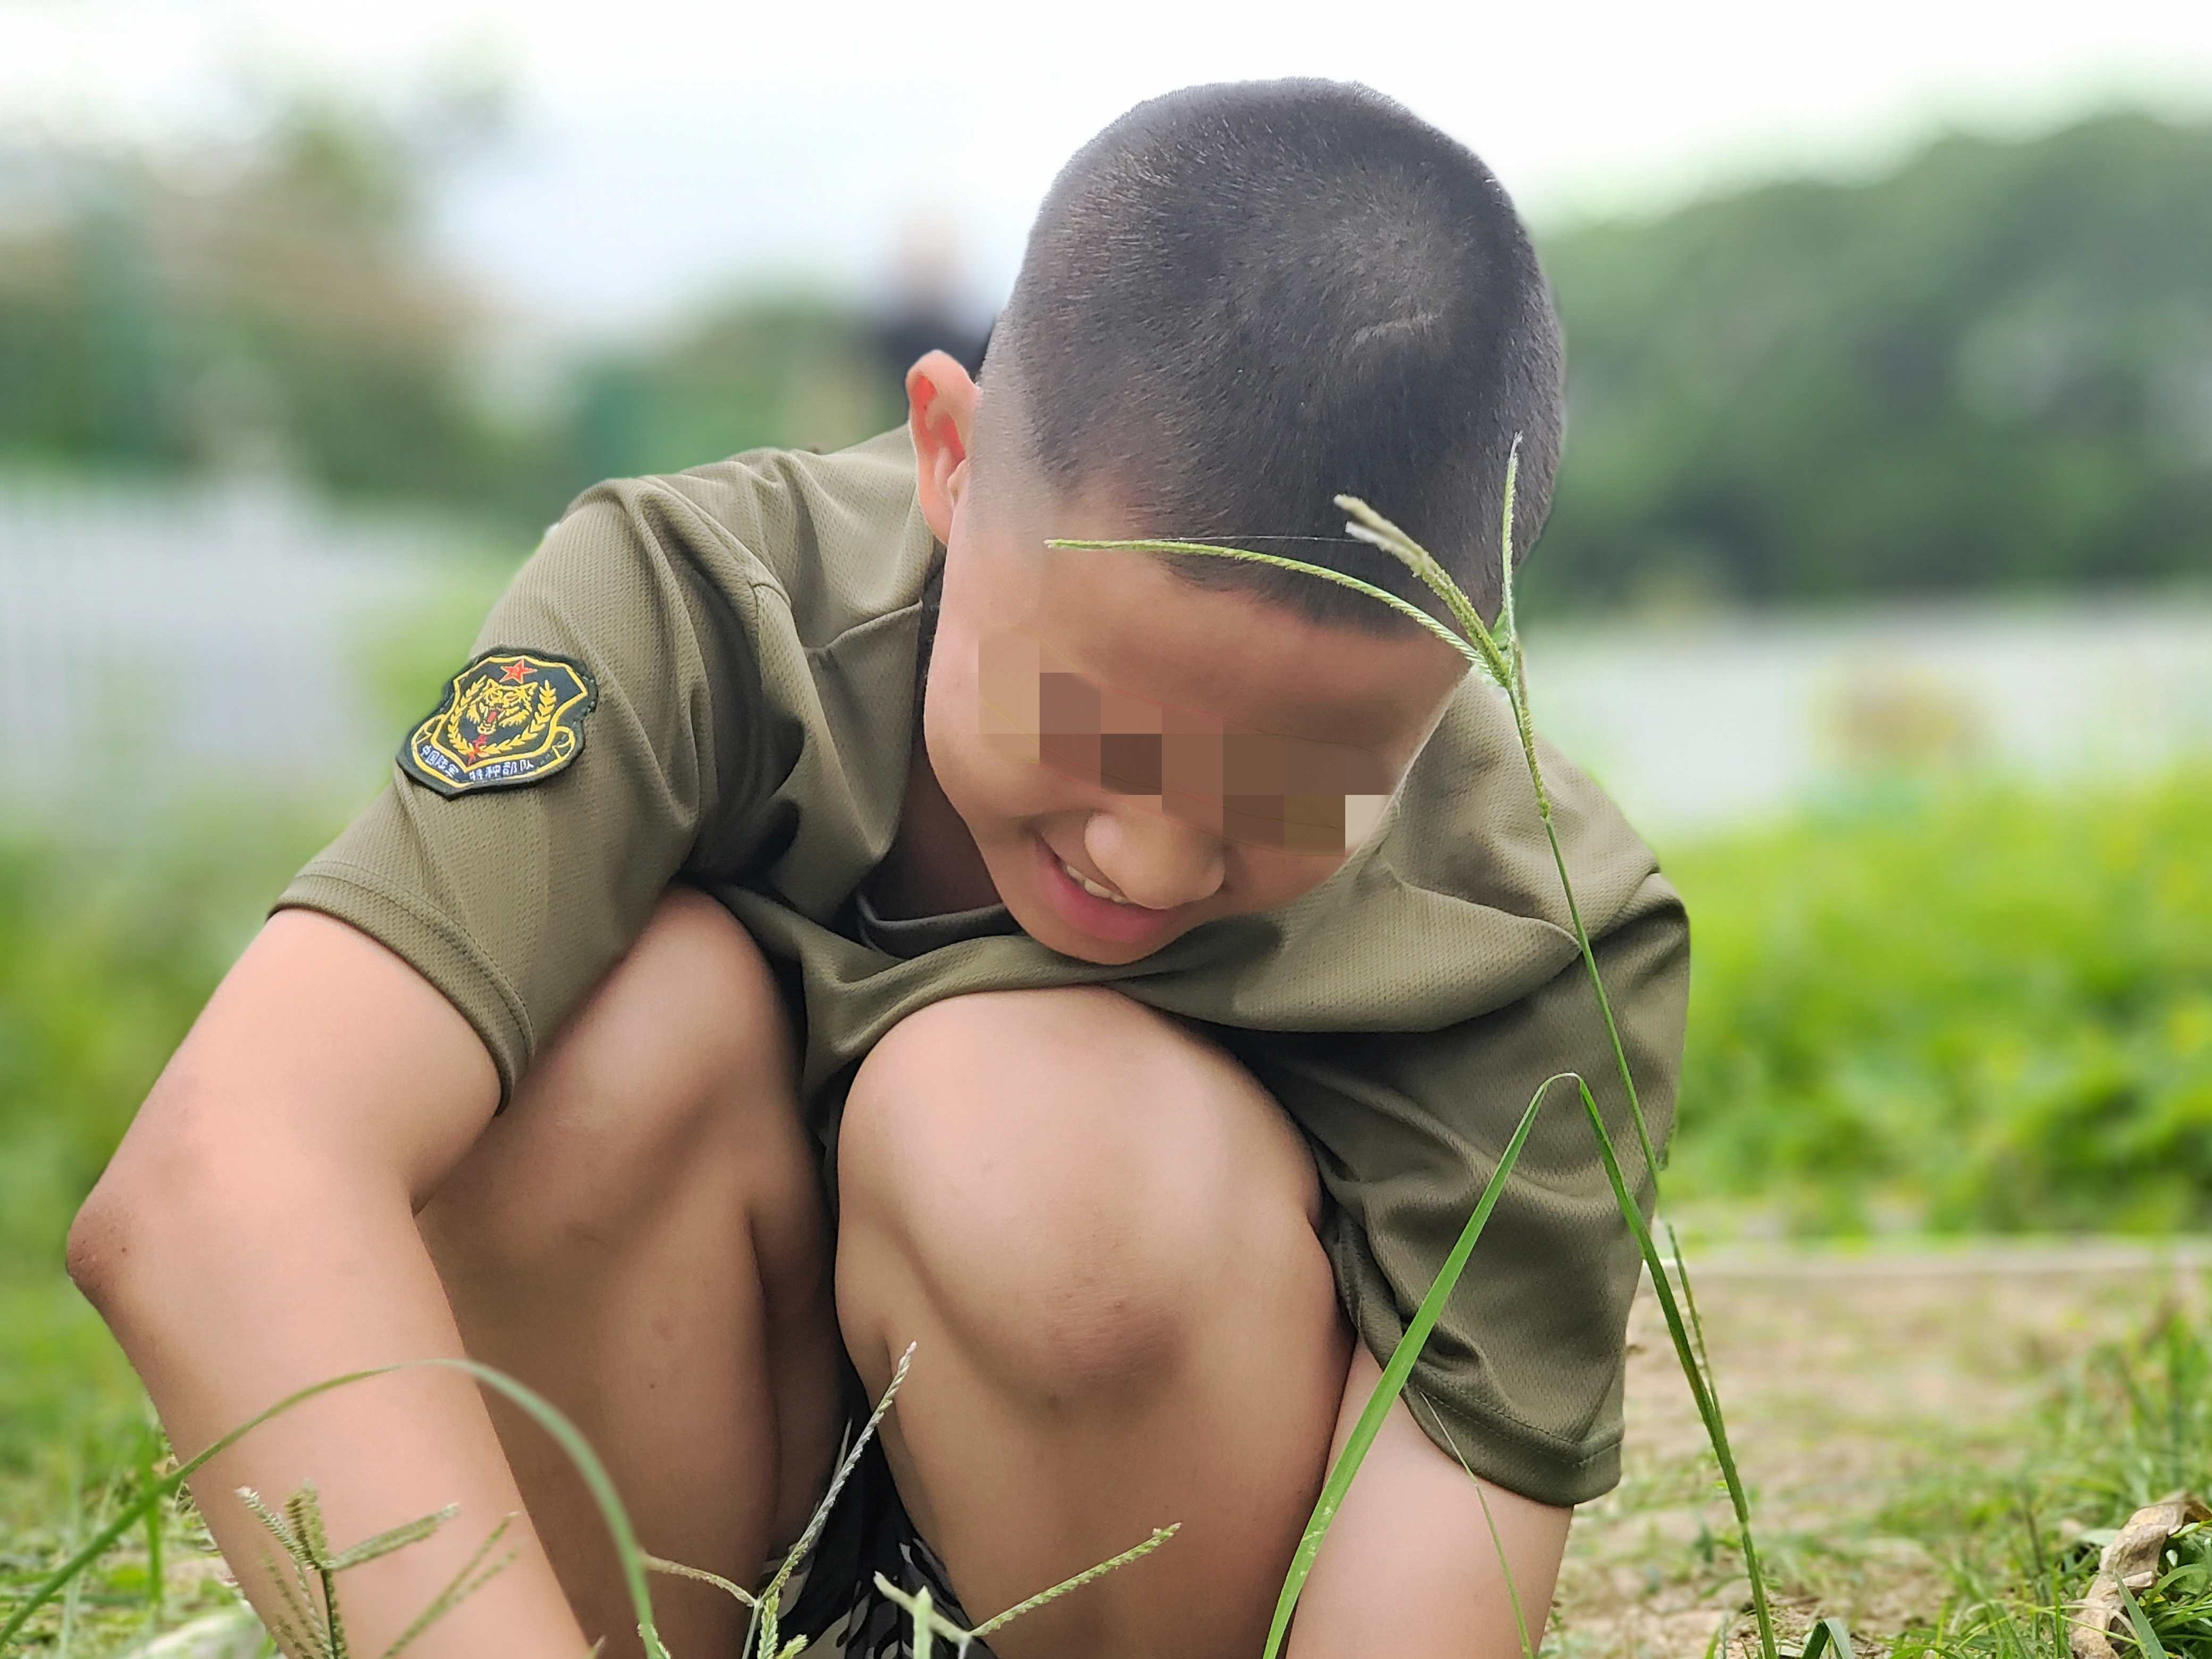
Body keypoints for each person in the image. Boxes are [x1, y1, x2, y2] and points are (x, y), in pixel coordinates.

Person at [66, 79, 1689, 1659]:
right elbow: (226, 1181)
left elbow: (1436, 1573)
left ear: (1467, 666)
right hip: (656, 1537)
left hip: (1142, 1554)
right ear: (951, 454)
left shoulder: (1527, 920)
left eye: (1302, 783)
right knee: (597, 1024)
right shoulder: (694, 615)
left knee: (1009, 1122)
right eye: (1100, 723)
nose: (1154, 851)